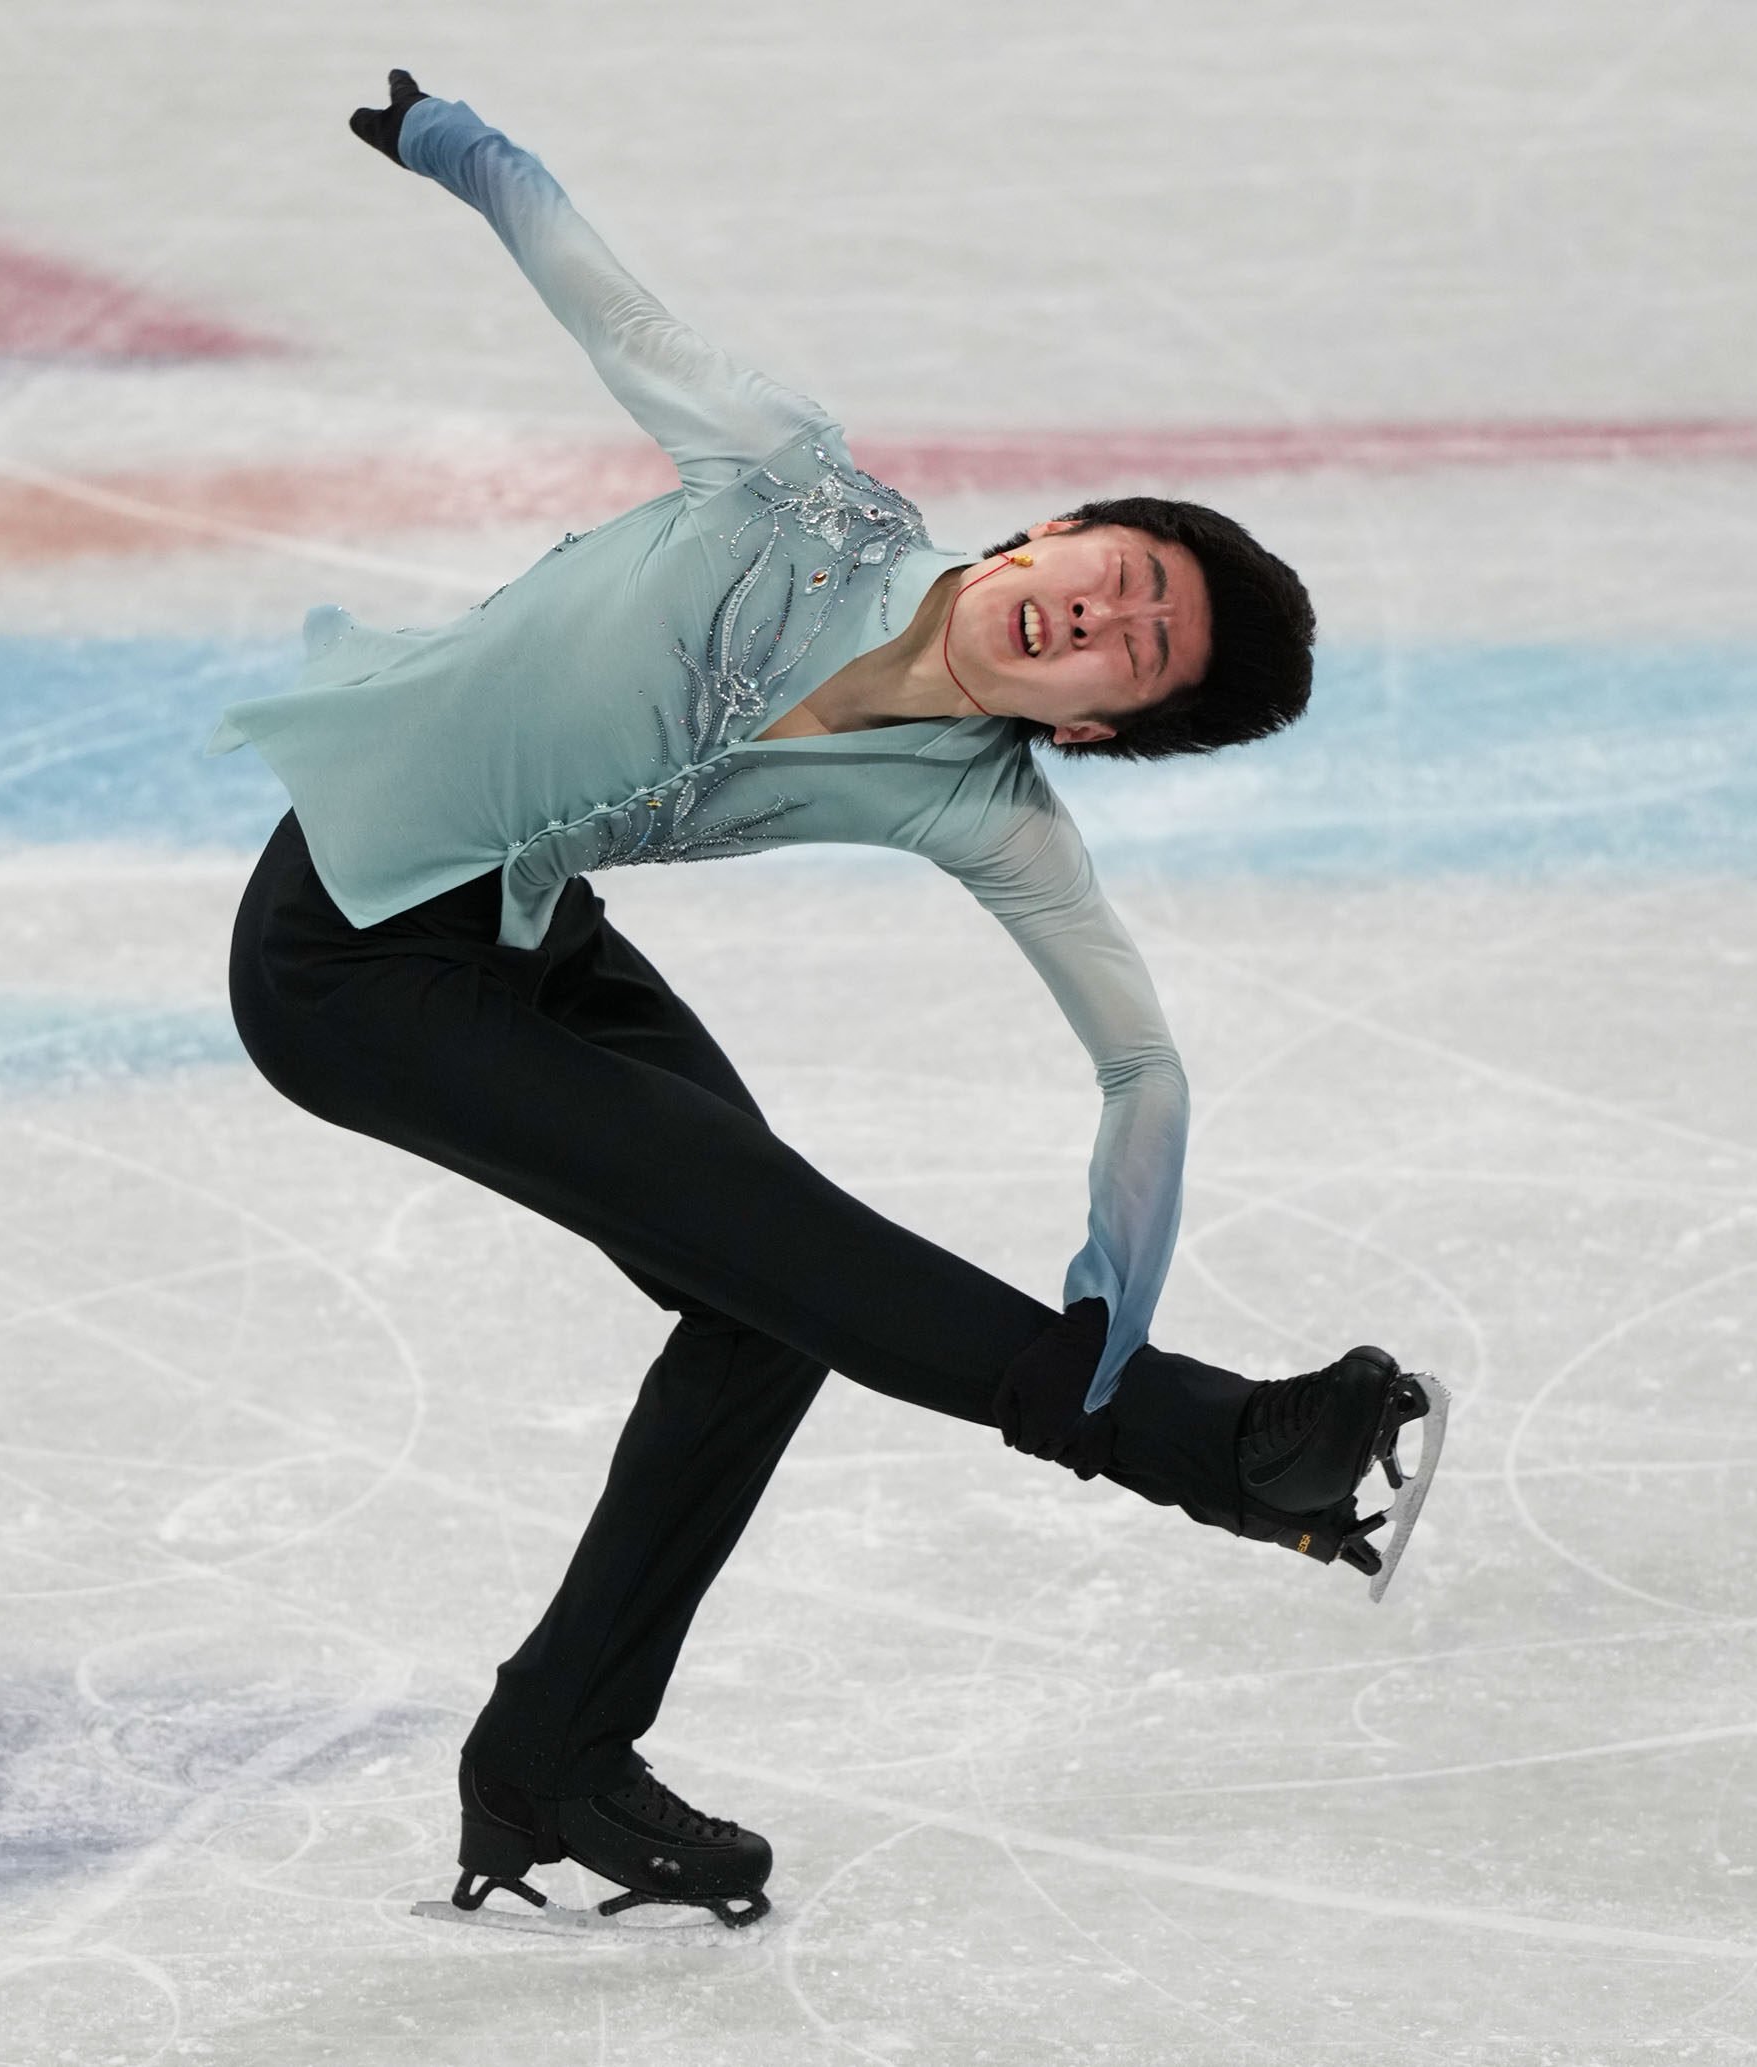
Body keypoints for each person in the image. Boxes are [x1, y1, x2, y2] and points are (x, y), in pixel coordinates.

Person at [220, 71, 1445, 1932]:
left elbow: (1140, 1057)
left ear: (1099, 726)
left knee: (762, 1308)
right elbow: (605, 296)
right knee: (785, 1241)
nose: (1094, 618)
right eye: (1113, 575)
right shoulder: (795, 479)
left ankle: (551, 1753)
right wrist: (460, 148)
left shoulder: (987, 807)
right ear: (1045, 532)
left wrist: (1121, 1263)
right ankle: (1212, 1448)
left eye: (1136, 649)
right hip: (349, 956)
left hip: (523, 934)